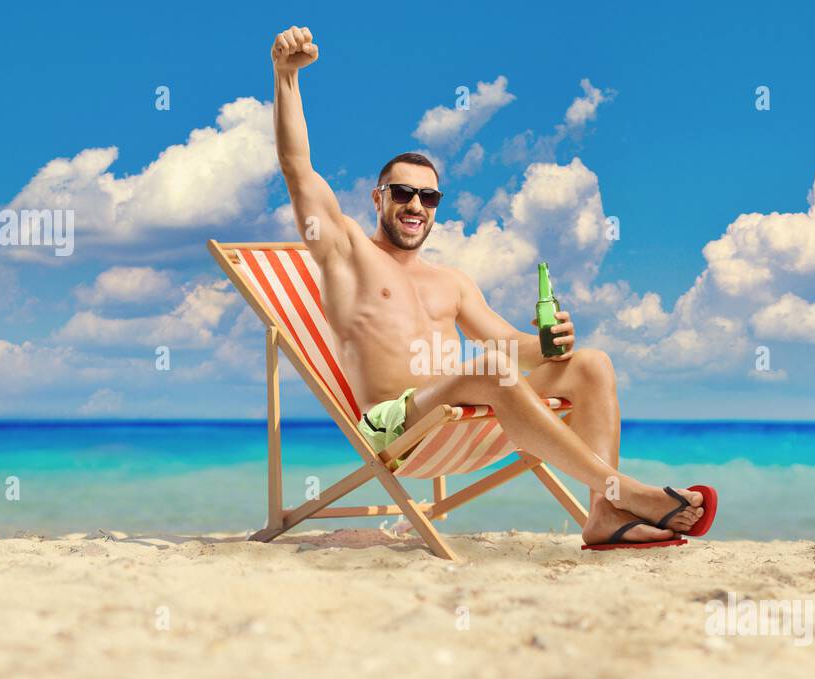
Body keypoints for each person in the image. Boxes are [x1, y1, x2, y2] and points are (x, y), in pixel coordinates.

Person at [270, 25, 710, 547]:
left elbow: (509, 348)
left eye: (429, 198)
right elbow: (298, 170)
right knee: (489, 369)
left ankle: (604, 514)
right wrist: (287, 77)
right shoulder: (347, 252)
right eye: (403, 193)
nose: (416, 206)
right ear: (377, 198)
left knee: (592, 364)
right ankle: (629, 492)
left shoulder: (451, 282)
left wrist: (551, 344)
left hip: (466, 419)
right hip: (399, 431)